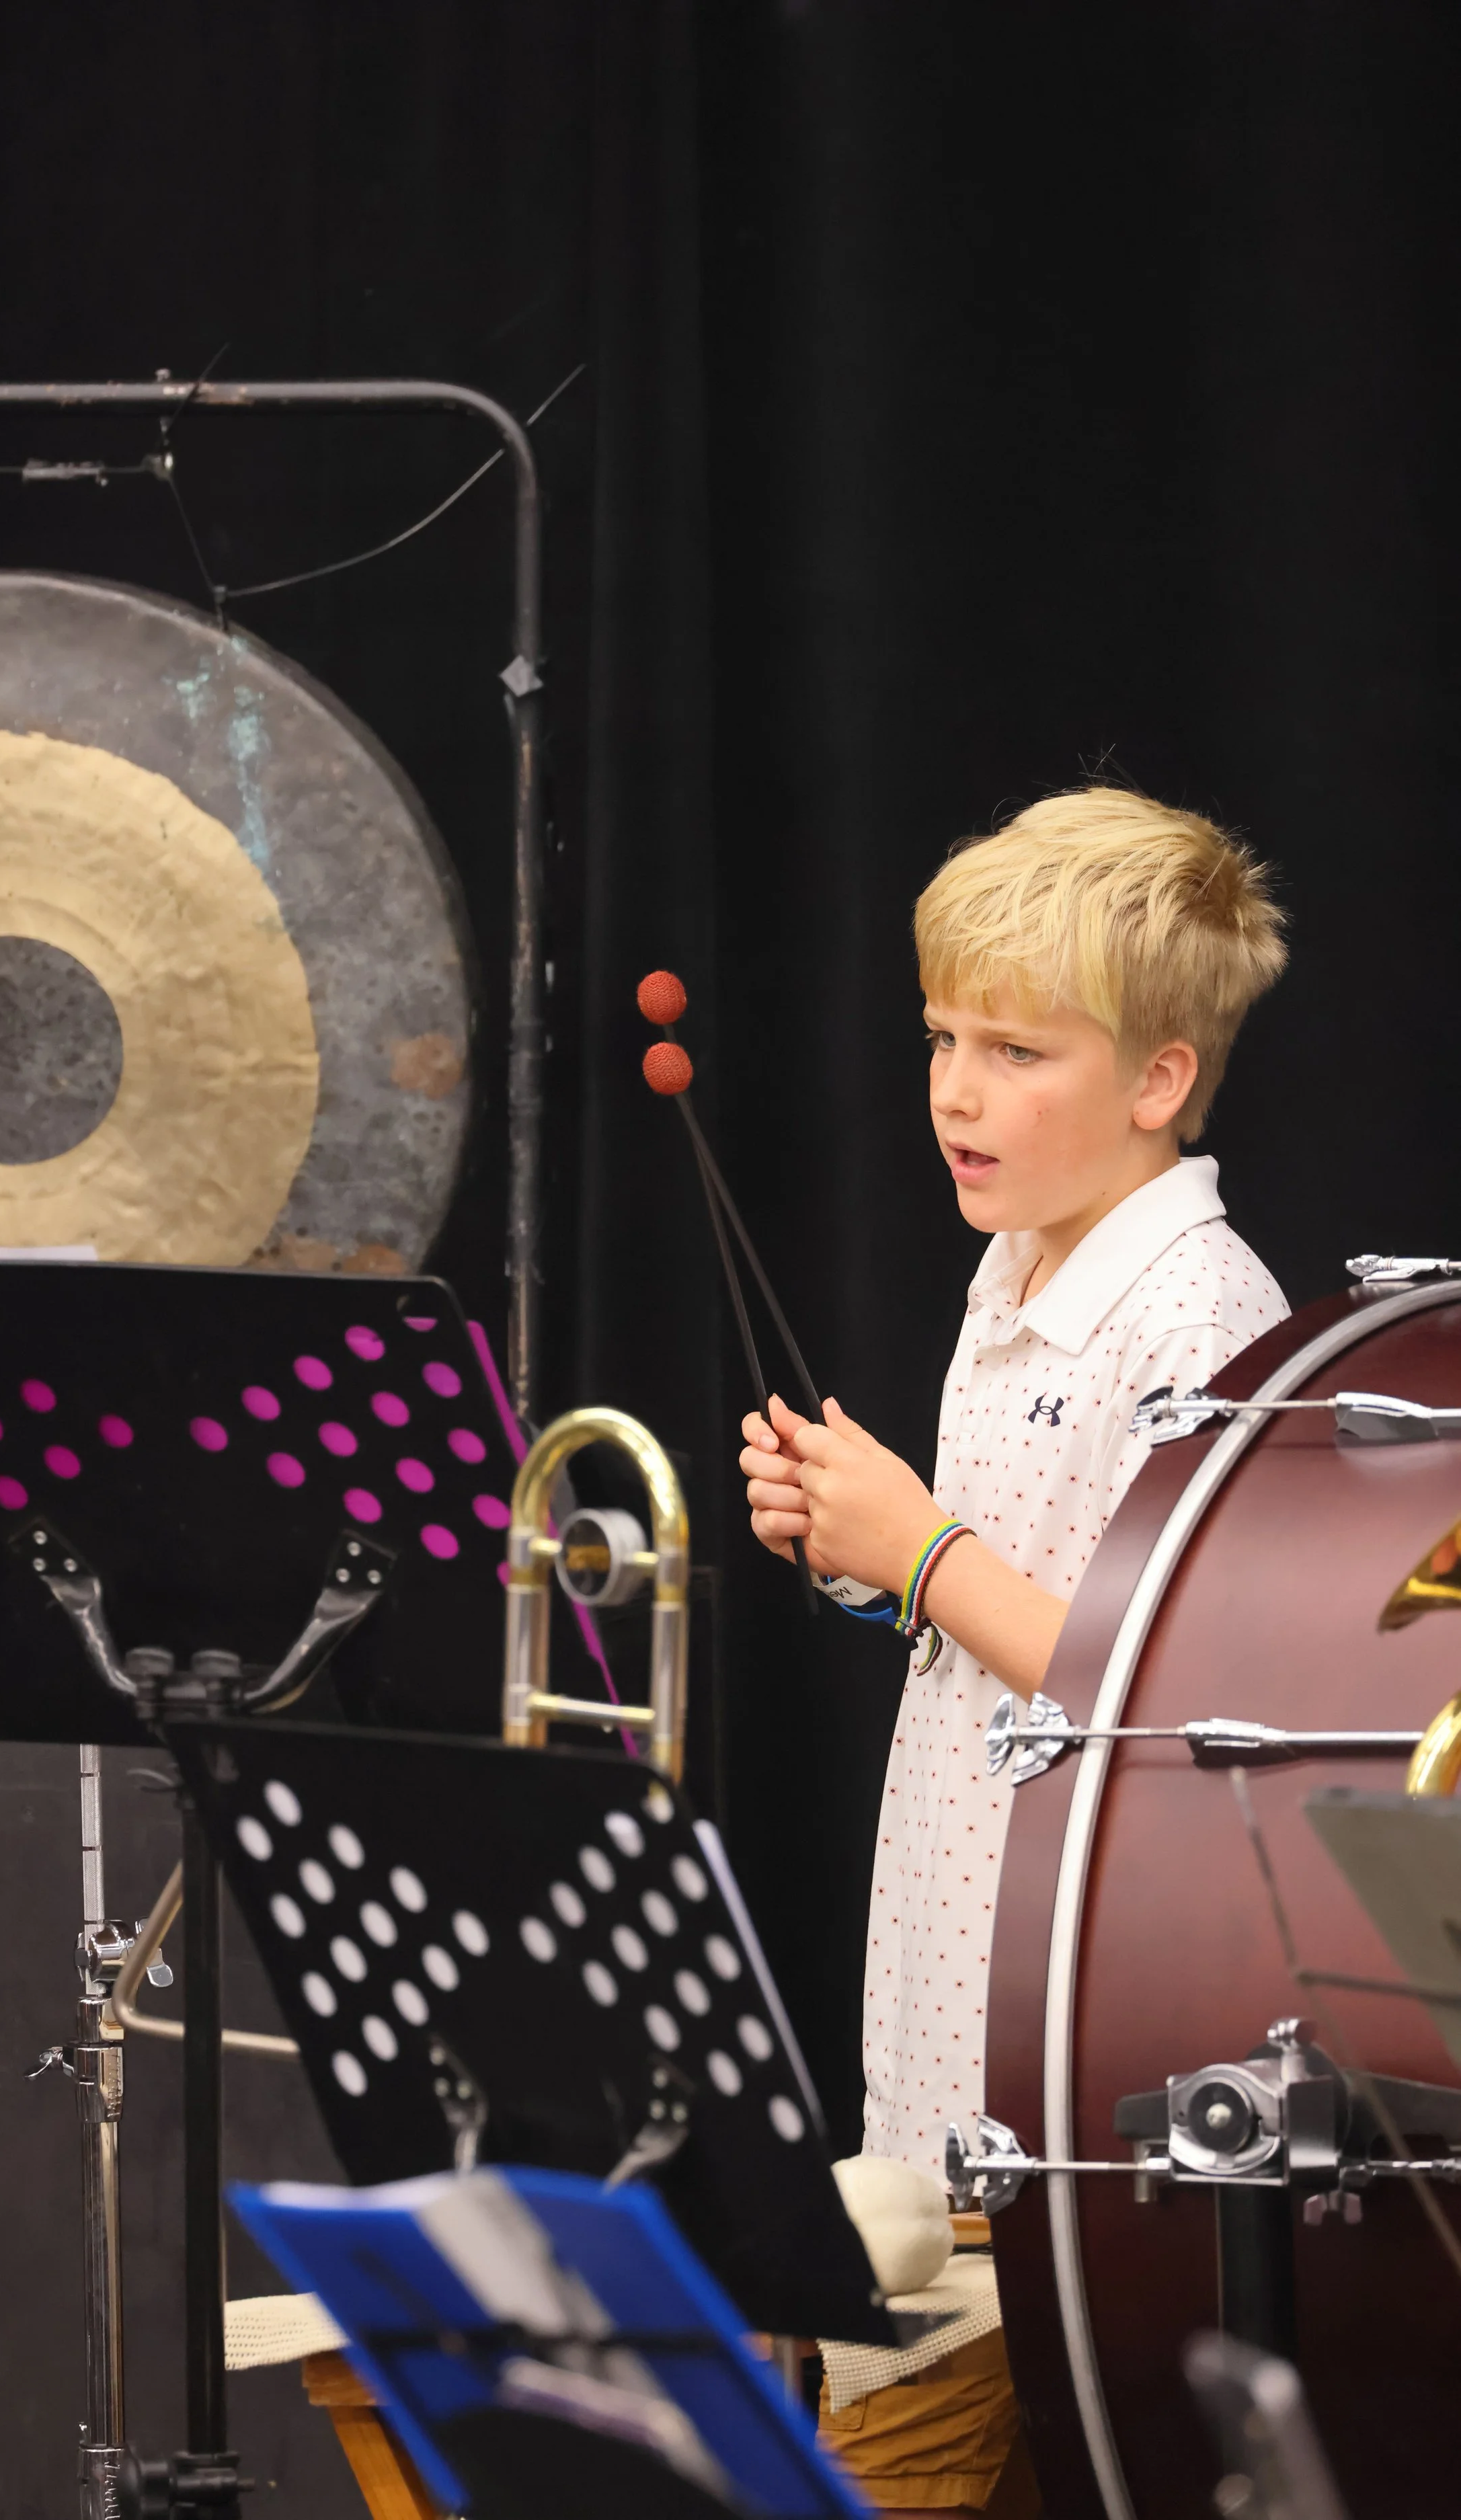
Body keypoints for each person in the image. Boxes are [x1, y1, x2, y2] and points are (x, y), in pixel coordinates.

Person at [740, 787, 1289, 2515]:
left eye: (1014, 1051)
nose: (955, 1093)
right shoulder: (1016, 1265)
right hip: (935, 2026)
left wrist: (916, 1542)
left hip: (1056, 2045)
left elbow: (1170, 1685)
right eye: (939, 1038)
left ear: (1154, 1080)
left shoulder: (1202, 1312)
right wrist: (858, 1560)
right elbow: (1002, 1613)